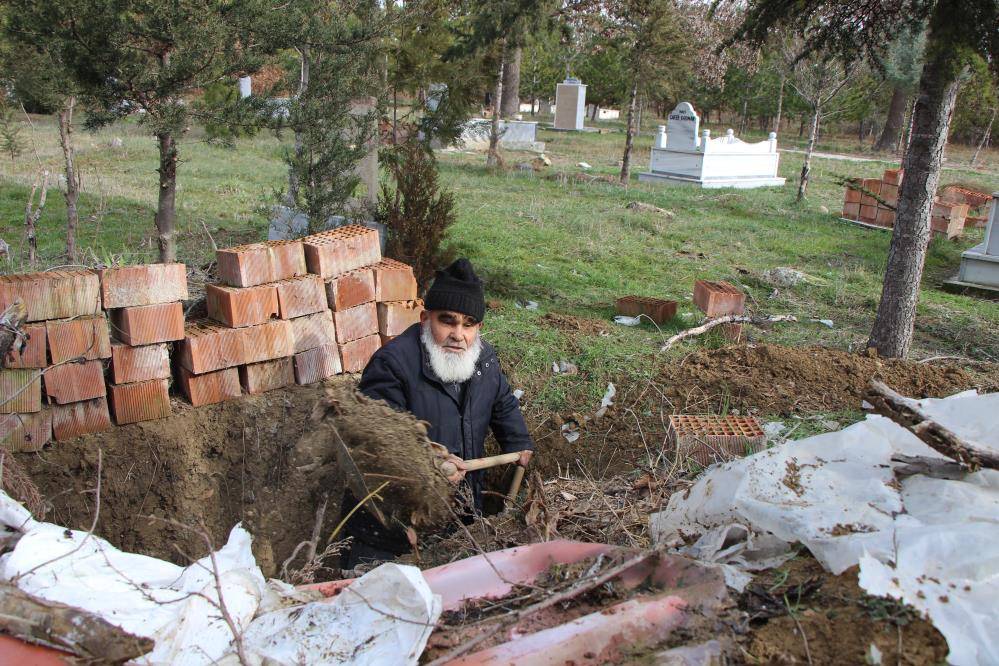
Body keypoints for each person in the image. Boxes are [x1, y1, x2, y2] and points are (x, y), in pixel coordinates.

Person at [340, 258, 534, 569]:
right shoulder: (392, 366)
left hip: (459, 529)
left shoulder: (484, 361)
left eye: (468, 324)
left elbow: (504, 404)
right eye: (448, 321)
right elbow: (376, 444)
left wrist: (519, 446)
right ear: (425, 319)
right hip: (390, 537)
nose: (458, 334)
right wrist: (430, 462)